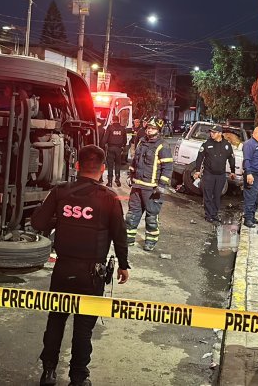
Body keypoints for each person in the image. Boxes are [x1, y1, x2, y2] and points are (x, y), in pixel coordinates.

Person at [31, 145, 130, 386]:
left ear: (77, 166)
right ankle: (78, 377)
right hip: (92, 274)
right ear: (103, 169)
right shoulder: (109, 198)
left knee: (56, 320)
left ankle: (49, 372)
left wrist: (62, 218)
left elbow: (38, 222)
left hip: (63, 270)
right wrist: (123, 265)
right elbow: (120, 234)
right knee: (84, 327)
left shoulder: (60, 192)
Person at [125, 116, 173, 251]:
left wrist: (162, 186)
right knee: (132, 214)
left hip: (152, 189)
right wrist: (131, 175)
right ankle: (128, 239)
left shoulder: (163, 146)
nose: (149, 130)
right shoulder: (141, 142)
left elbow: (167, 168)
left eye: (153, 128)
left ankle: (150, 241)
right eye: (148, 128)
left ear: (158, 130)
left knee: (151, 217)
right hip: (137, 186)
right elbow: (135, 161)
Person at [192, 124, 236, 224]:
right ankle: (209, 215)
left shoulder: (226, 145)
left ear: (220, 133)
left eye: (214, 132)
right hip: (208, 174)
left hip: (220, 175)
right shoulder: (206, 144)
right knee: (208, 195)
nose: (212, 134)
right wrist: (198, 171)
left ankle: (214, 214)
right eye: (211, 132)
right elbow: (199, 158)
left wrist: (232, 171)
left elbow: (231, 158)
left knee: (217, 195)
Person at [103, 119, 128, 187]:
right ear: (118, 120)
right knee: (117, 164)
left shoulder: (110, 127)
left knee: (110, 165)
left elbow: (105, 138)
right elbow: (125, 140)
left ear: (113, 120)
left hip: (110, 148)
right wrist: (123, 146)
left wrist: (103, 145)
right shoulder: (123, 128)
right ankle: (117, 179)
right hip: (119, 149)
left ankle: (110, 182)